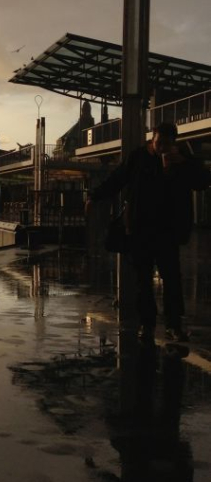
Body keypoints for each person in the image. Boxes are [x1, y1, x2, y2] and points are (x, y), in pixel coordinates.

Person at [86, 121, 210, 348]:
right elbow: (118, 179)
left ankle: (173, 325)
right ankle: (148, 324)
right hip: (140, 229)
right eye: (158, 142)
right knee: (143, 280)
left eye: (167, 143)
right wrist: (95, 196)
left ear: (175, 143)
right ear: (152, 139)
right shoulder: (139, 157)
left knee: (172, 278)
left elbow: (202, 181)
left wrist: (183, 163)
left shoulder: (182, 158)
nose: (162, 147)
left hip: (168, 231)